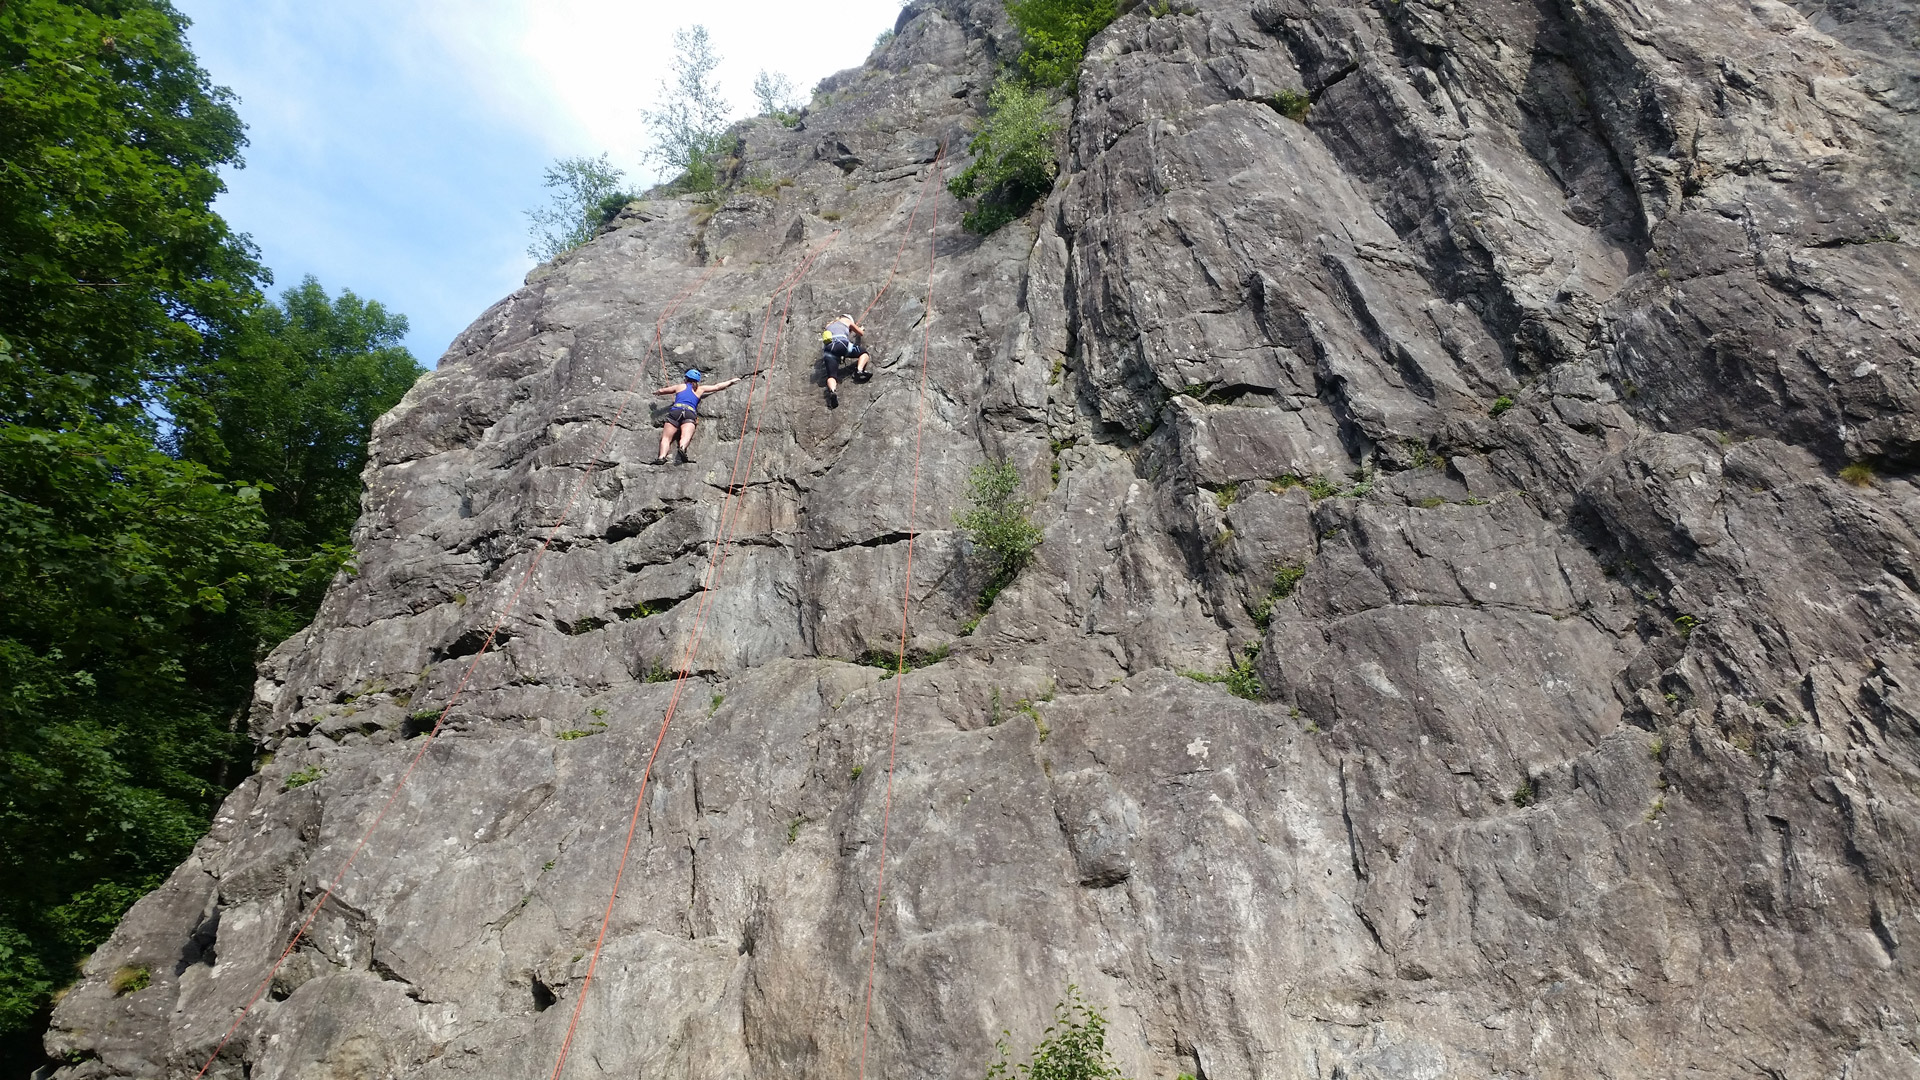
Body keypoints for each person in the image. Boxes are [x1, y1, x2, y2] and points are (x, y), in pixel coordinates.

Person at [653, 368, 741, 463]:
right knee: (685, 436)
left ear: (686, 378)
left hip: (676, 411)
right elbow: (717, 387)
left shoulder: (680, 387)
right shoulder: (700, 389)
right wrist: (731, 381)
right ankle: (682, 448)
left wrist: (657, 392)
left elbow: (662, 390)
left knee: (666, 437)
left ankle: (661, 457)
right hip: (690, 412)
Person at [820, 313, 869, 406]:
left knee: (832, 376)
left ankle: (832, 391)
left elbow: (837, 331)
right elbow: (860, 333)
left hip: (828, 349)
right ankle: (859, 371)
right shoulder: (847, 321)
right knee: (864, 353)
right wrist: (860, 329)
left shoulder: (829, 325)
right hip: (841, 344)